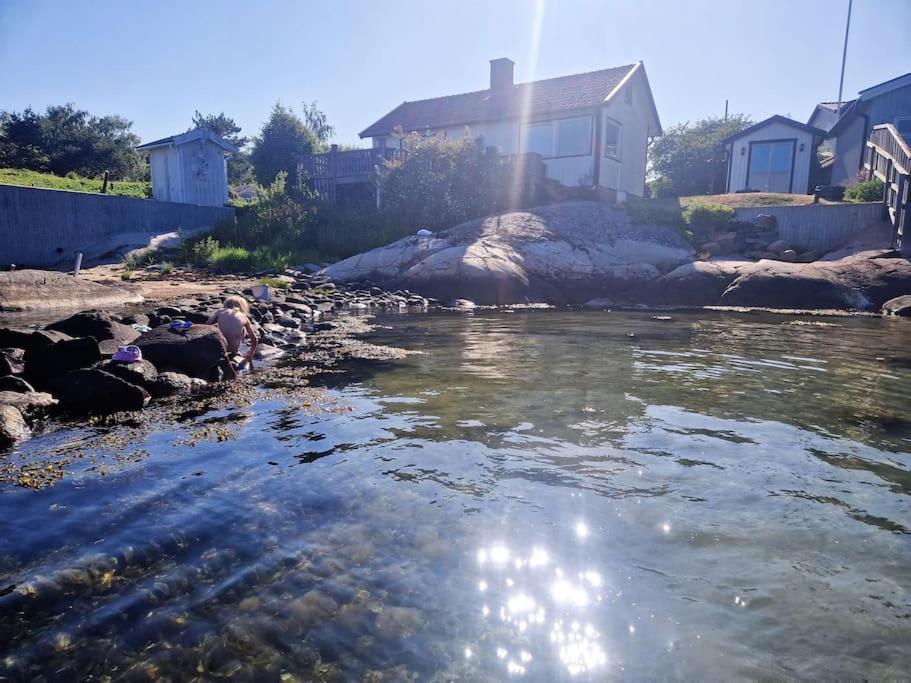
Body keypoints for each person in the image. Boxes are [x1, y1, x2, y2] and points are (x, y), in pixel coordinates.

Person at [206, 295, 258, 361]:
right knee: (243, 329)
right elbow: (254, 339)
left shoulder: (220, 311)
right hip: (232, 350)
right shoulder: (244, 317)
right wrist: (251, 353)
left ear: (226, 304)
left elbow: (206, 325)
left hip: (219, 347)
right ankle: (236, 352)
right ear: (243, 307)